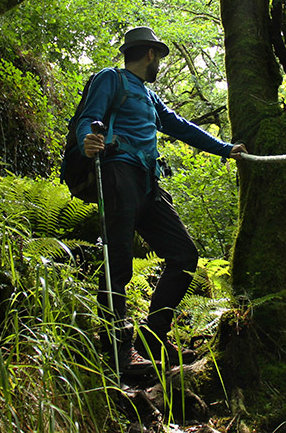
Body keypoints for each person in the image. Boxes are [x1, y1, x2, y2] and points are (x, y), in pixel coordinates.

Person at [77, 26, 246, 375]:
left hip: (148, 183)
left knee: (184, 255)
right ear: (151, 54)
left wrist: (225, 150)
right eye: (159, 58)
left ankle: (152, 340)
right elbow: (87, 117)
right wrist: (86, 140)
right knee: (118, 260)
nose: (159, 66)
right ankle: (118, 350)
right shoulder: (112, 78)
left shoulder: (150, 97)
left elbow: (181, 126)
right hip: (117, 172)